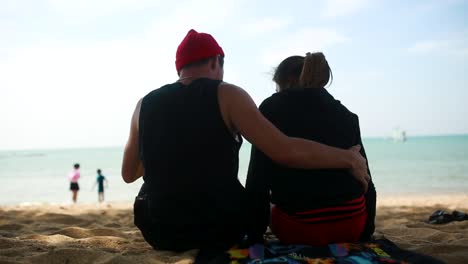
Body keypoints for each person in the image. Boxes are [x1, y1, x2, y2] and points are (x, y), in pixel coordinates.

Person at [121, 29, 370, 254]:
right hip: (219, 230)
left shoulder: (143, 104)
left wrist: (164, 144)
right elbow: (285, 150)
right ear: (215, 62)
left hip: (159, 232)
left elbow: (129, 173)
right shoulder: (228, 94)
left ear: (179, 69)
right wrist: (347, 157)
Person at [245, 52, 377, 246]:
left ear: (286, 82)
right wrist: (366, 232)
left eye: (277, 87)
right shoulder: (347, 115)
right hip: (352, 224)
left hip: (300, 228)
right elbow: (366, 180)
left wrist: (255, 237)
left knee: (275, 205)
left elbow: (258, 182)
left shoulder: (271, 107)